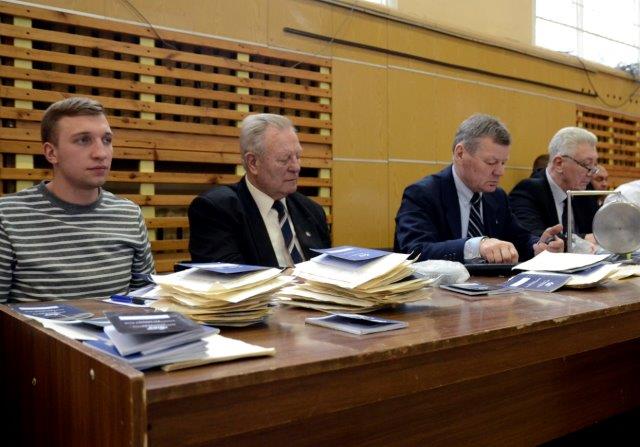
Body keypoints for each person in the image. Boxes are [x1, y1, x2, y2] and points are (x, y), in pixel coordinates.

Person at [0, 97, 154, 302]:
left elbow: (147, 299)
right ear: (51, 153)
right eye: (83, 140)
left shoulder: (129, 214)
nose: (101, 153)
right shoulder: (7, 216)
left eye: (106, 140)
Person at [394, 114, 563, 264]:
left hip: (489, 288)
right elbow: (413, 251)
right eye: (491, 162)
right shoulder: (422, 194)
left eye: (503, 163)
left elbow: (519, 239)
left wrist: (538, 246)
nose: (500, 172)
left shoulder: (497, 197)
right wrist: (475, 246)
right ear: (460, 154)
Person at [188, 113, 330, 267]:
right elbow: (228, 277)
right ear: (253, 163)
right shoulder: (216, 211)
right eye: (285, 159)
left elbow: (328, 269)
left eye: (298, 156)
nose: (296, 167)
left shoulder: (312, 211)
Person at [509, 127, 600, 240]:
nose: (592, 173)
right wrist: (583, 239)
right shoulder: (528, 190)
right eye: (587, 164)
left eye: (594, 165)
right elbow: (534, 237)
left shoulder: (584, 191)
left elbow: (600, 231)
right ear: (559, 164)